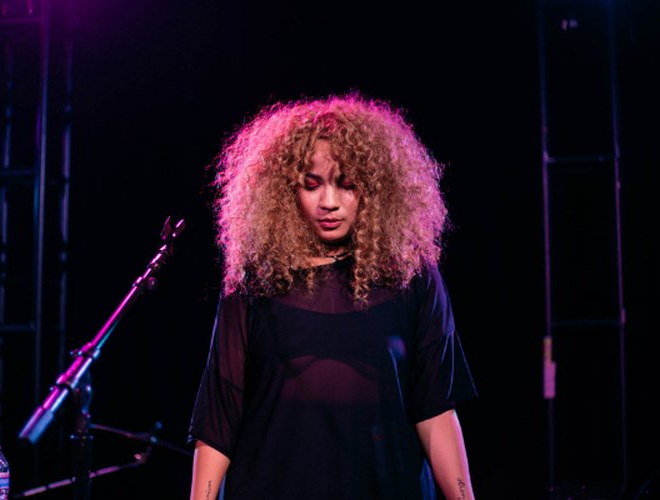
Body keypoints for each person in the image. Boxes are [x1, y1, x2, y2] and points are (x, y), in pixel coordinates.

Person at [188, 93, 477, 500]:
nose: (329, 202)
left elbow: (435, 408)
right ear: (286, 189)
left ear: (374, 187)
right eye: (312, 185)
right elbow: (220, 415)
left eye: (347, 184)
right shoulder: (255, 280)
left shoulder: (410, 275)